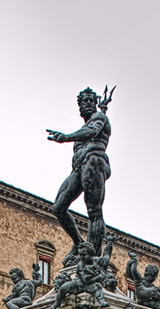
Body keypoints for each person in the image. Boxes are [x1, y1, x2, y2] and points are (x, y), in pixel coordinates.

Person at [47, 87, 113, 263]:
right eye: (84, 102)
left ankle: (92, 256)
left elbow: (92, 131)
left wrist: (66, 137)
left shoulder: (99, 118)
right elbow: (87, 130)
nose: (88, 105)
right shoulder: (89, 122)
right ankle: (79, 243)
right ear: (79, 106)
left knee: (93, 211)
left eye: (91, 101)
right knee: (58, 207)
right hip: (77, 168)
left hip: (94, 161)